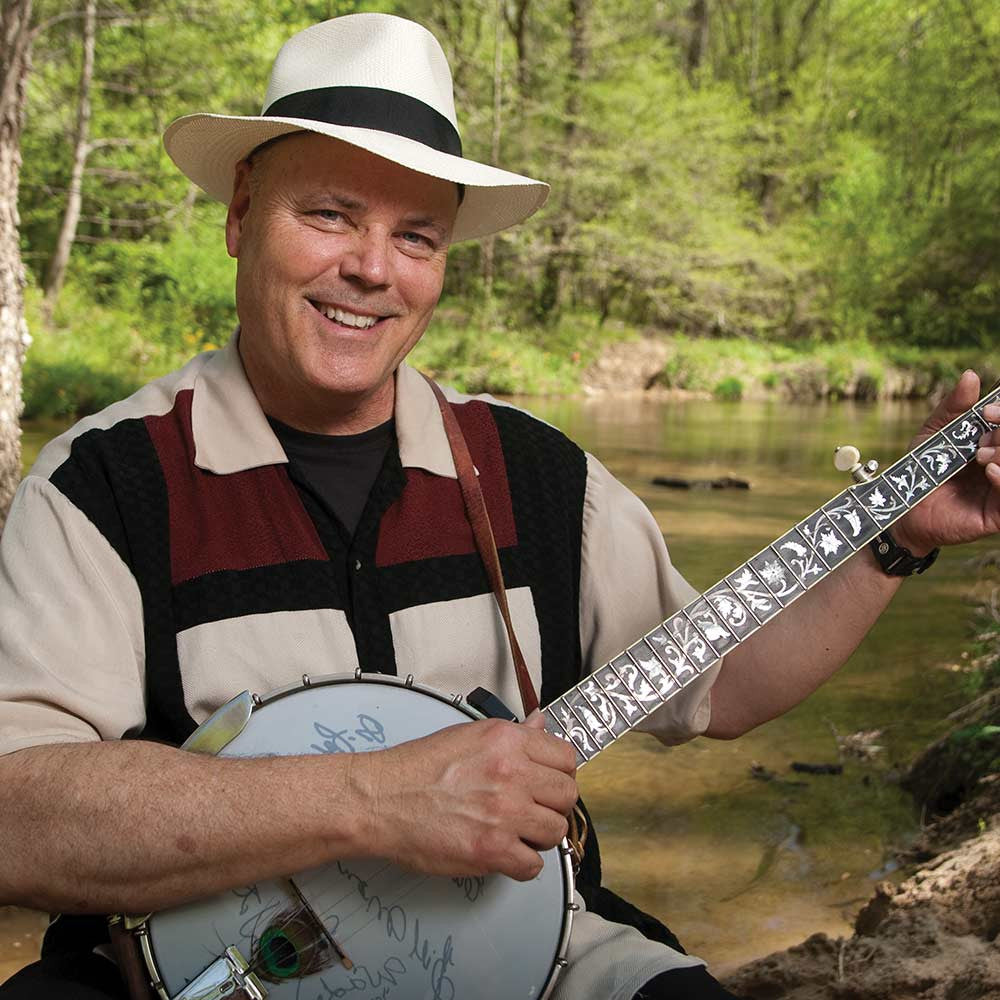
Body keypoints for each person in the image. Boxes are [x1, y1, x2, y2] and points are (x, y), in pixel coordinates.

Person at [1, 13, 998, 1000]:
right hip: (197, 971)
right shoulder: (103, 487)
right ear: (240, 213)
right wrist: (370, 802)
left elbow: (724, 681)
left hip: (537, 957)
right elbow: (16, 815)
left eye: (416, 235)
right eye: (330, 215)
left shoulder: (534, 476)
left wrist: (896, 539)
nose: (372, 268)